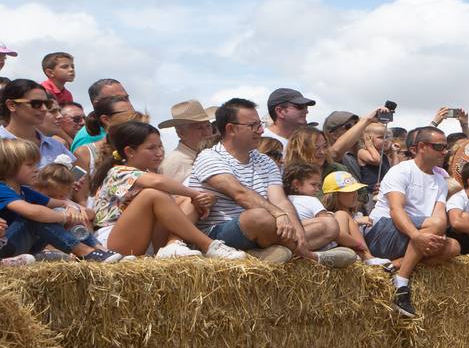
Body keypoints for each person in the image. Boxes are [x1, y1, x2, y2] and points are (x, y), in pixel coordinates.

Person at [88, 120, 246, 259]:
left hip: (147, 239)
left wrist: (201, 198)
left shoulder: (149, 173)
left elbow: (171, 193)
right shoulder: (118, 172)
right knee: (153, 194)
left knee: (188, 200)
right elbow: (157, 182)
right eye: (151, 148)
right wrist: (196, 193)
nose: (159, 152)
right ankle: (209, 245)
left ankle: (173, 244)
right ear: (130, 151)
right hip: (113, 242)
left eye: (160, 146)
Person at [184, 97, 316, 262]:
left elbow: (280, 200)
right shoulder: (210, 156)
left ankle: (263, 252)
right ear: (231, 129)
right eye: (253, 126)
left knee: (327, 225)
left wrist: (299, 231)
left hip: (264, 227)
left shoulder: (265, 160)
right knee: (259, 217)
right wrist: (279, 214)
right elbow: (240, 194)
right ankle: (310, 256)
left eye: (259, 124)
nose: (260, 130)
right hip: (217, 234)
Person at [369, 126, 458, 317]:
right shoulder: (400, 171)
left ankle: (397, 264)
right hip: (383, 231)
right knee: (434, 226)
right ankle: (401, 284)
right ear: (421, 147)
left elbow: (440, 215)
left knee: (454, 247)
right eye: (439, 147)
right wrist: (417, 235)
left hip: (415, 233)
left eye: (445, 148)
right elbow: (395, 210)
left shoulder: (440, 180)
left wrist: (431, 234)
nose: (444, 152)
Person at [0, 79, 77, 168]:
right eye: (36, 104)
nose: (44, 109)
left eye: (47, 104)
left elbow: (74, 178)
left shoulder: (56, 146)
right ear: (11, 105)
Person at [157, 101, 215, 184]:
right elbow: (175, 196)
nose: (207, 132)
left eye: (208, 126)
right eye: (199, 128)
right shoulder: (174, 163)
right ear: (181, 133)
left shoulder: (211, 153)